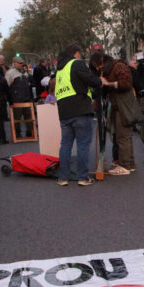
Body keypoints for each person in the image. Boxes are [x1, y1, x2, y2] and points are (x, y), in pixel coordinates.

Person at [54, 43, 103, 186]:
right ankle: (82, 177)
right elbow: (91, 80)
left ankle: (63, 178)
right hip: (80, 109)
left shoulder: (59, 69)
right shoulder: (77, 63)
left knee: (66, 145)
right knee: (83, 144)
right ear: (76, 53)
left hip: (64, 111)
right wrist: (100, 81)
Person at [97, 54, 136, 175]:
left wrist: (108, 83)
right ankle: (127, 163)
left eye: (99, 65)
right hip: (118, 106)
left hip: (122, 107)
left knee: (123, 136)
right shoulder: (112, 69)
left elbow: (126, 84)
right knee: (121, 135)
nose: (99, 68)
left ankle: (126, 165)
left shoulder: (118, 66)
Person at [5, 56, 34, 139]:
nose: (22, 64)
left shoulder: (24, 72)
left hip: (26, 99)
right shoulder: (10, 73)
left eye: (22, 63)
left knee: (29, 117)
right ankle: (17, 133)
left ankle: (30, 132)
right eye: (20, 63)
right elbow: (6, 86)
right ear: (14, 63)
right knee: (17, 118)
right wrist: (10, 99)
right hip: (16, 99)